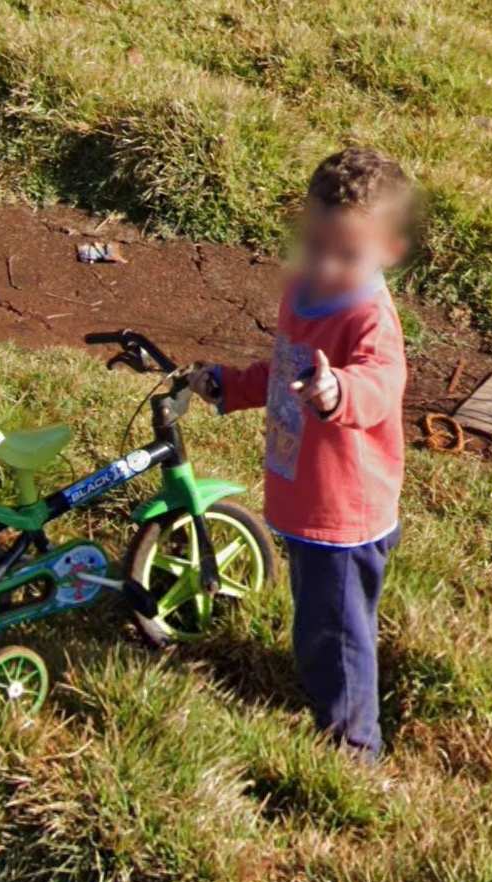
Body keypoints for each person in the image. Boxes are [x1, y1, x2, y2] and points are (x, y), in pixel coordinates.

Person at [188, 147, 413, 763]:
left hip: (344, 511)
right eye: (316, 246)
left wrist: (339, 391)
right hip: (306, 491)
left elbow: (382, 382)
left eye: (349, 255)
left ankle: (353, 748)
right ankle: (332, 700)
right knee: (323, 614)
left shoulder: (368, 318)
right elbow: (283, 370)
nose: (328, 265)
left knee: (336, 633)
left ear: (387, 251)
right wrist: (232, 386)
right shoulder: (302, 293)